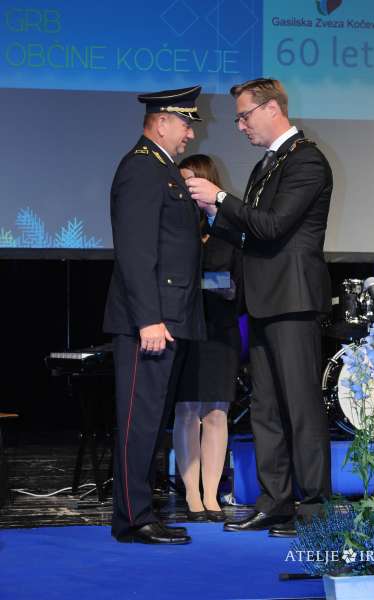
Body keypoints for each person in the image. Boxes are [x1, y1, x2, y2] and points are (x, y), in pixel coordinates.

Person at [186, 78, 332, 537]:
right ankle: (275, 503)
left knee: (301, 407)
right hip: (264, 300)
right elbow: (250, 236)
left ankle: (314, 509)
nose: (240, 126)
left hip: (293, 300)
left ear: (272, 109)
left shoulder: (307, 160)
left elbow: (273, 226)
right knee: (265, 407)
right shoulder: (267, 164)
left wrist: (220, 197)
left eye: (244, 116)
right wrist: (215, 215)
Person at [103, 86, 206, 545]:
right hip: (149, 321)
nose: (190, 134)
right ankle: (134, 519)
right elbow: (136, 250)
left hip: (167, 316)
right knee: (139, 422)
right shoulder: (142, 168)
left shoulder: (160, 168)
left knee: (149, 420)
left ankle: (140, 512)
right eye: (185, 123)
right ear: (161, 122)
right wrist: (148, 318)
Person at [173, 155, 242, 522]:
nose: (185, 190)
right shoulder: (175, 225)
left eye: (190, 182)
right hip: (185, 329)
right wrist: (208, 283)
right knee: (186, 410)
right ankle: (191, 495)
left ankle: (212, 495)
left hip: (220, 329)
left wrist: (209, 284)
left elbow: (237, 282)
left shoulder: (231, 227)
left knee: (216, 412)